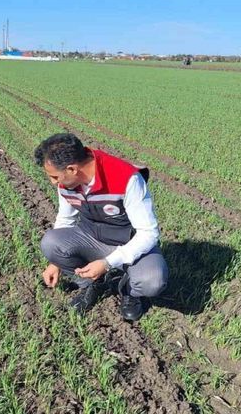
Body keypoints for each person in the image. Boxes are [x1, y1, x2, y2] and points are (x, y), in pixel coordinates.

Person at [35, 133, 168, 321]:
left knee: (152, 280)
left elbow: (148, 233)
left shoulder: (126, 178)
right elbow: (65, 219)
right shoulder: (67, 183)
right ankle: (93, 283)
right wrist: (55, 263)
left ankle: (129, 291)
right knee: (51, 242)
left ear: (72, 169)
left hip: (128, 241)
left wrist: (107, 263)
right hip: (92, 237)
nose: (53, 182)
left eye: (55, 177)